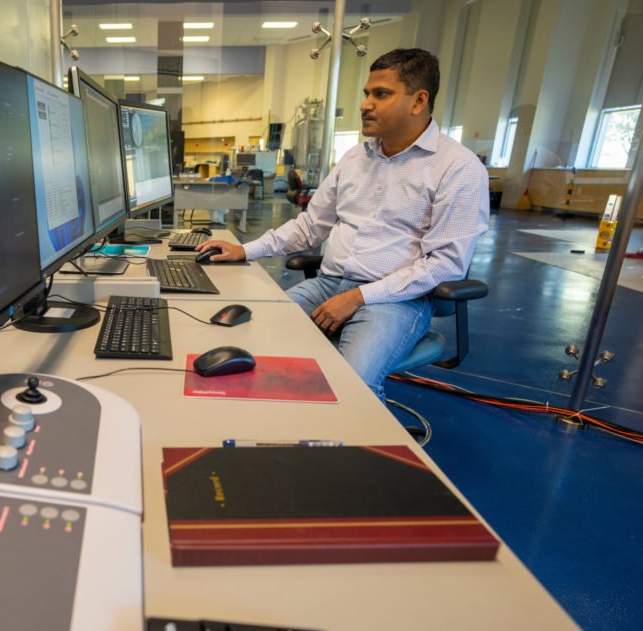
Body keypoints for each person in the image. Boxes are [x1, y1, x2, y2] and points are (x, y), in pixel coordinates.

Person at [196, 48, 488, 401]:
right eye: (367, 93)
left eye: (381, 94)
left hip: (396, 300)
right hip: (328, 285)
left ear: (418, 101)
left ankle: (350, 451)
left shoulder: (458, 168)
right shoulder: (355, 158)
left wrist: (358, 297)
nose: (365, 104)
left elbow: (445, 265)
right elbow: (309, 227)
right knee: (249, 343)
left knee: (352, 387)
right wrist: (245, 249)